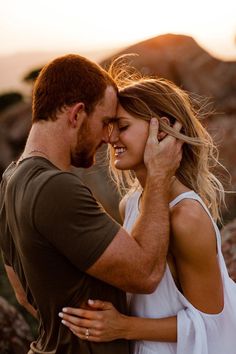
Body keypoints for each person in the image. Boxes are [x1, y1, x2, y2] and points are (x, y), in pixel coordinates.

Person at [0, 54, 182, 354]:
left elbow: (22, 293)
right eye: (106, 122)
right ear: (76, 114)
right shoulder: (55, 187)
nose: (108, 137)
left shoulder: (10, 179)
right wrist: (160, 175)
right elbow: (146, 274)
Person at [59, 76, 236, 353]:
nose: (111, 138)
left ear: (162, 132)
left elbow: (214, 323)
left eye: (123, 127)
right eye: (109, 126)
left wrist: (123, 327)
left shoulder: (186, 218)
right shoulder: (130, 204)